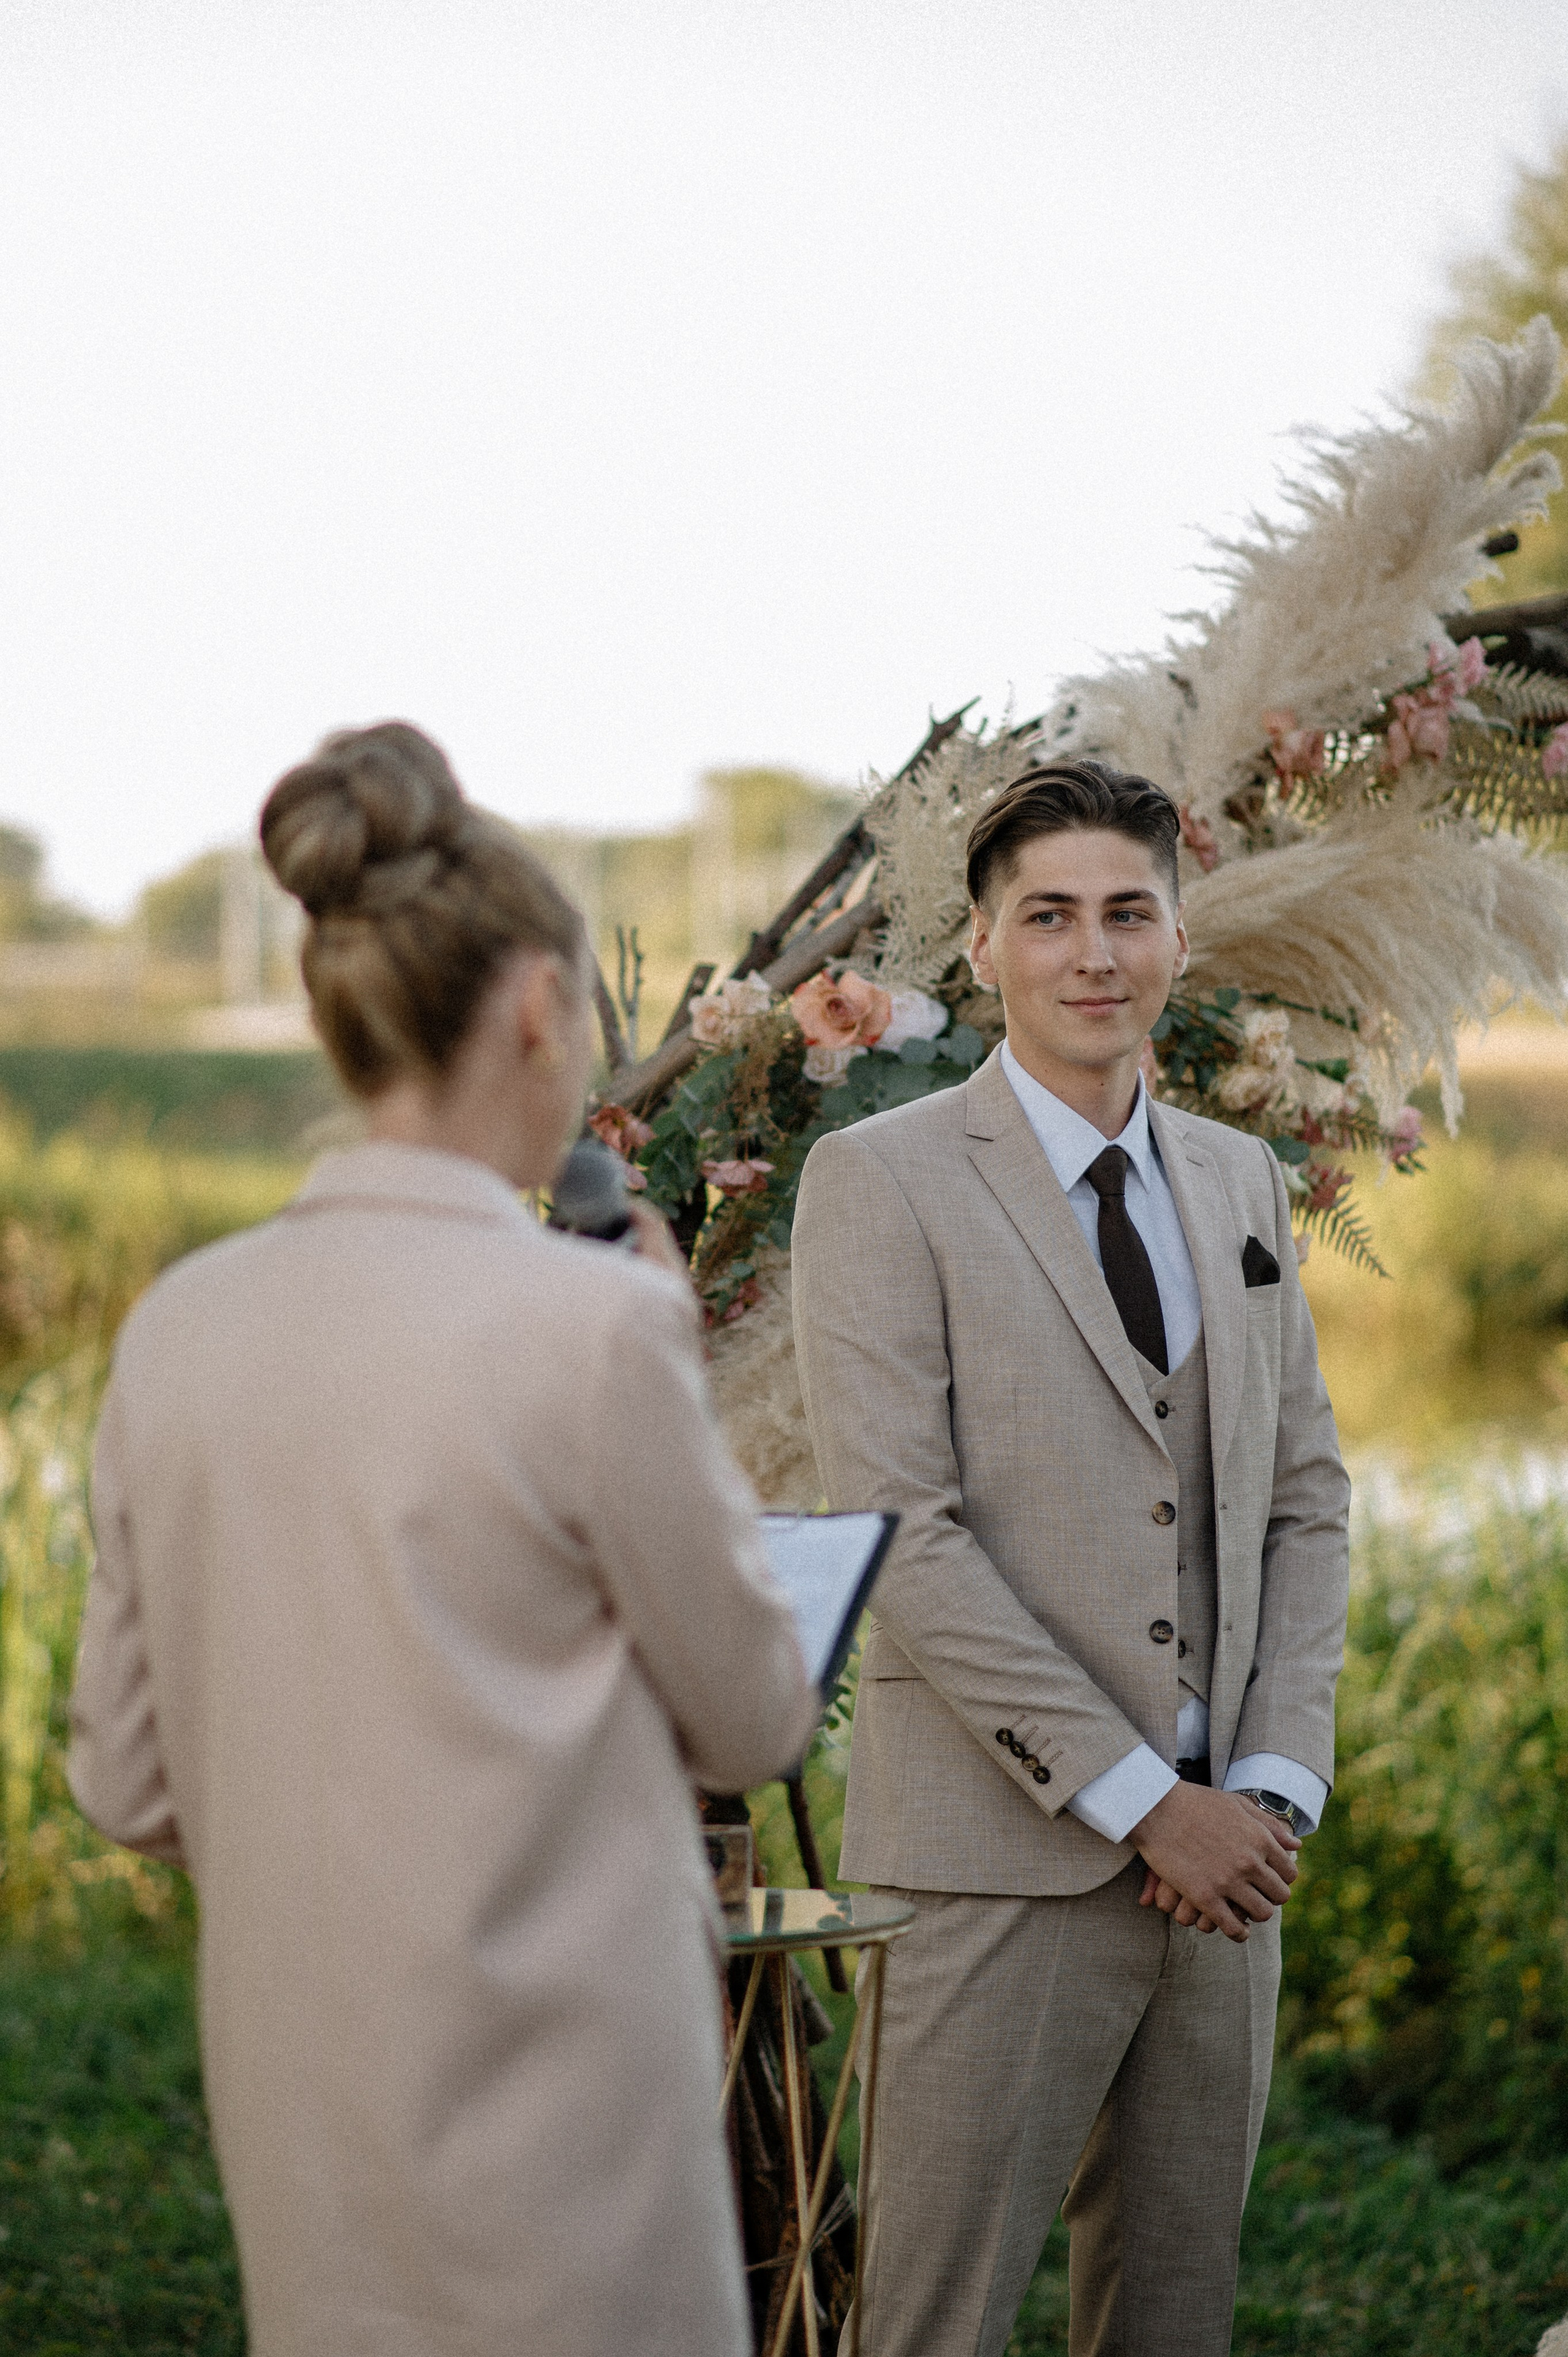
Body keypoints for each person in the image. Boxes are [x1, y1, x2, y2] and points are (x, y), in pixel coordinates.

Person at [67, 722, 817, 2357]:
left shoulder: (178, 1327)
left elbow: (125, 1781)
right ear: (542, 1007)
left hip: (307, 2114)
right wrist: (670, 1368)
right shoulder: (599, 1332)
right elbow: (755, 1715)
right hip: (567, 2126)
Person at [791, 759, 1350, 2357]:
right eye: (1050, 916)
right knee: (930, 2324)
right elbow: (901, 1535)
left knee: (1175, 2319)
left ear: (1179, 935)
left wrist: (1267, 1785)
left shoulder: (1243, 1180)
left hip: (1227, 1880)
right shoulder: (880, 1183)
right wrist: (1140, 1800)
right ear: (981, 947)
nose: (1092, 953)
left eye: (1128, 912)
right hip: (987, 1863)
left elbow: (1307, 1495)